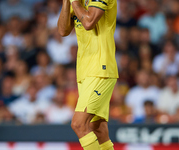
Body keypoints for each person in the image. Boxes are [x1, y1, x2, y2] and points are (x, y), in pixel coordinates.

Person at [58, 0, 119, 150]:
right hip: (85, 71)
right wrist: (66, 3)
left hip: (100, 69)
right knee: (97, 128)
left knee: (79, 124)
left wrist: (74, 2)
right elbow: (63, 31)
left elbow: (88, 22)